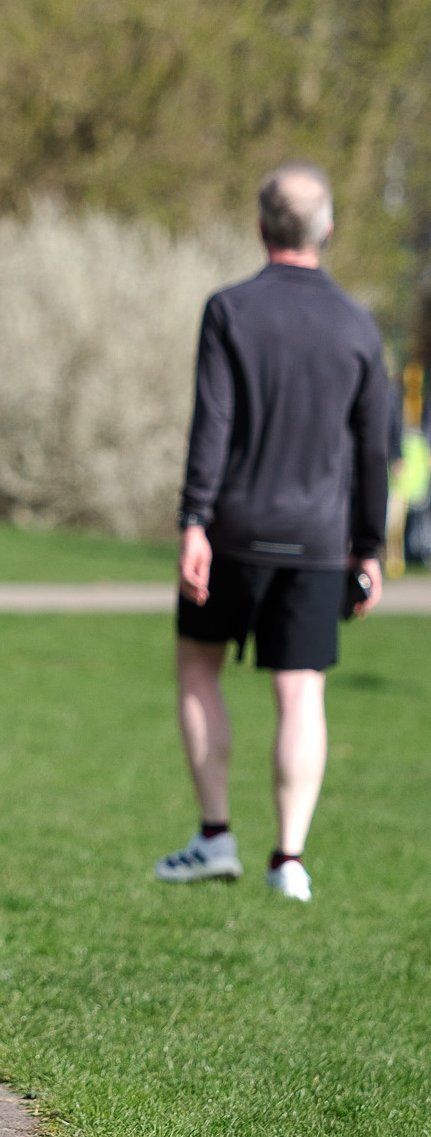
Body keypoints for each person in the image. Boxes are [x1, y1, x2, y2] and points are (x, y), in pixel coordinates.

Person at [158, 164, 390, 903]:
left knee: (199, 668)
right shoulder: (359, 325)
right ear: (328, 229)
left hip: (233, 531)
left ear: (260, 227)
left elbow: (213, 424)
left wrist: (194, 521)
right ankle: (289, 859)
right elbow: (373, 451)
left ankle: (215, 837)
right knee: (302, 692)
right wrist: (370, 549)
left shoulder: (230, 310)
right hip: (319, 541)